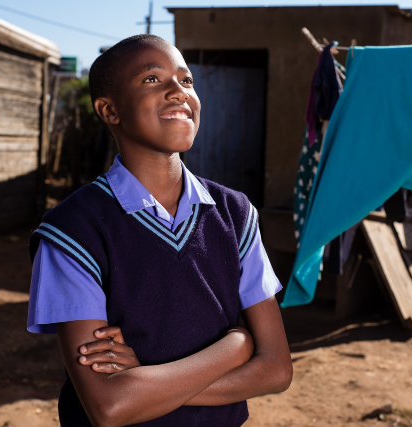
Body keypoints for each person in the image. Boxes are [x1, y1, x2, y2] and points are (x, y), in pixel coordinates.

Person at [26, 34, 292, 427]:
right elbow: (109, 406)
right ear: (109, 110)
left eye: (186, 81)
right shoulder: (72, 231)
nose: (178, 92)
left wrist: (144, 379)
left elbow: (276, 370)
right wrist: (236, 346)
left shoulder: (235, 213)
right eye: (153, 79)